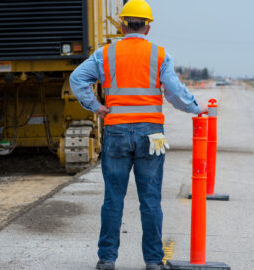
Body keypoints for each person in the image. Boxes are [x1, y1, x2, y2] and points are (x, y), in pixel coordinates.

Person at [69, 0, 208, 269]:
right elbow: (175, 93)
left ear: (122, 25)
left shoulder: (106, 54)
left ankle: (107, 260)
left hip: (116, 132)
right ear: (148, 27)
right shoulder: (159, 55)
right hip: (151, 134)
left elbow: (77, 80)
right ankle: (154, 261)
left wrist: (97, 107)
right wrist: (195, 108)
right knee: (151, 200)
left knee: (113, 200)